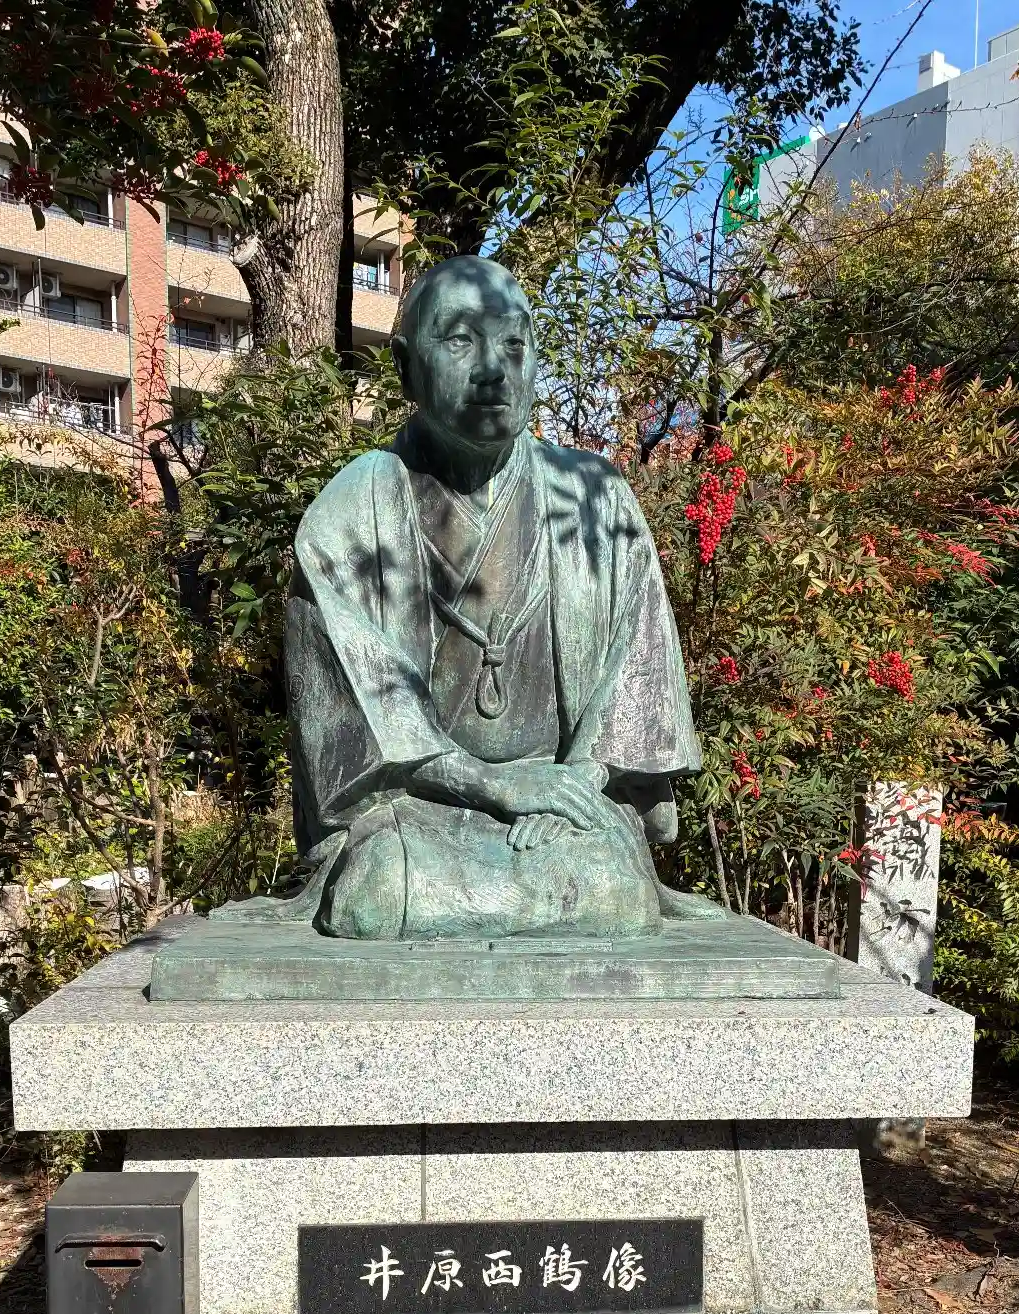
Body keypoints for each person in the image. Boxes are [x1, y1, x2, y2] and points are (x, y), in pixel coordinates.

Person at [256, 253, 719, 939]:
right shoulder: (353, 512)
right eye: (460, 341)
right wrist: (490, 784)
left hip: (564, 803)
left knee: (616, 894)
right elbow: (355, 717)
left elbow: (636, 674)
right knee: (375, 898)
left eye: (513, 344)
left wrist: (573, 785)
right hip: (418, 806)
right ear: (406, 366)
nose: (493, 369)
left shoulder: (593, 499)